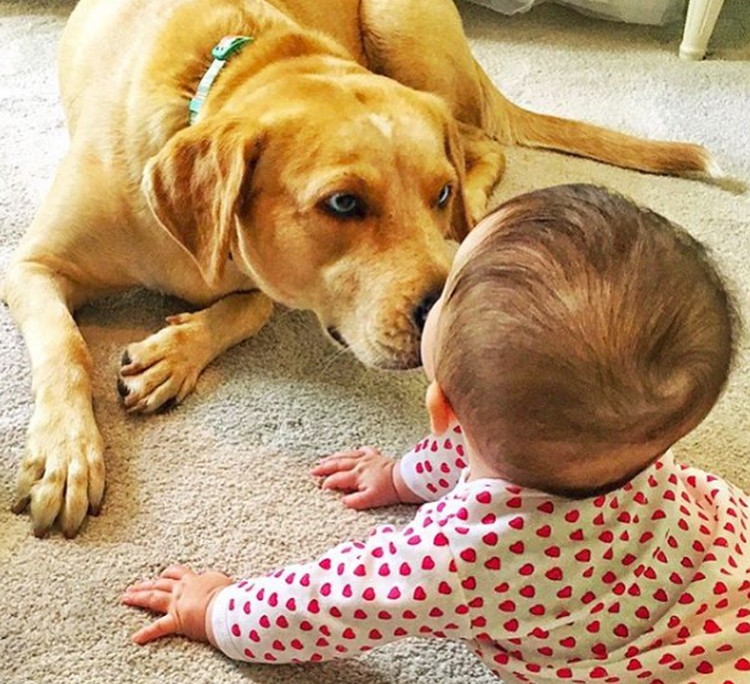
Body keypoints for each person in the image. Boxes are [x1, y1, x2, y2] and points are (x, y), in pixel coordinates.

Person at [123, 184, 748, 682]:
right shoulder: (629, 435)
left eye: (445, 290)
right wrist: (399, 476)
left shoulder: (466, 555)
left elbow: (324, 605)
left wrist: (215, 608)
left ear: (440, 405)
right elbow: (475, 444)